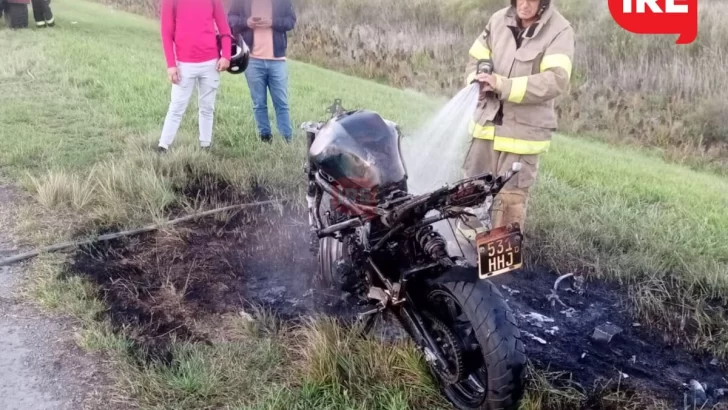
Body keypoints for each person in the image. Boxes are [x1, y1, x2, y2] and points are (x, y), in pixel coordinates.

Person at [457, 0, 574, 240]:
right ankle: (462, 256)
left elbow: (555, 80)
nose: (525, 3)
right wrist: (476, 80)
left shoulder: (560, 30)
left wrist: (502, 85)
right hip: (486, 125)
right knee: (471, 192)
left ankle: (499, 271)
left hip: (522, 135)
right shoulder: (497, 20)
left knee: (509, 202)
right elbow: (475, 58)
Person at [157, 0, 232, 152]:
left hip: (211, 63)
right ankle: (163, 146)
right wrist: (171, 65)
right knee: (176, 106)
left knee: (207, 107)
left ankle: (205, 144)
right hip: (184, 64)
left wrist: (226, 56)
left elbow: (224, 29)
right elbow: (166, 32)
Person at [227, 0, 296, 143]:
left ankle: (286, 138)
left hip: (277, 60)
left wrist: (272, 22)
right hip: (252, 60)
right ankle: (265, 137)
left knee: (281, 102)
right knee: (259, 103)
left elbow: (291, 21)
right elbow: (231, 18)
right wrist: (247, 22)